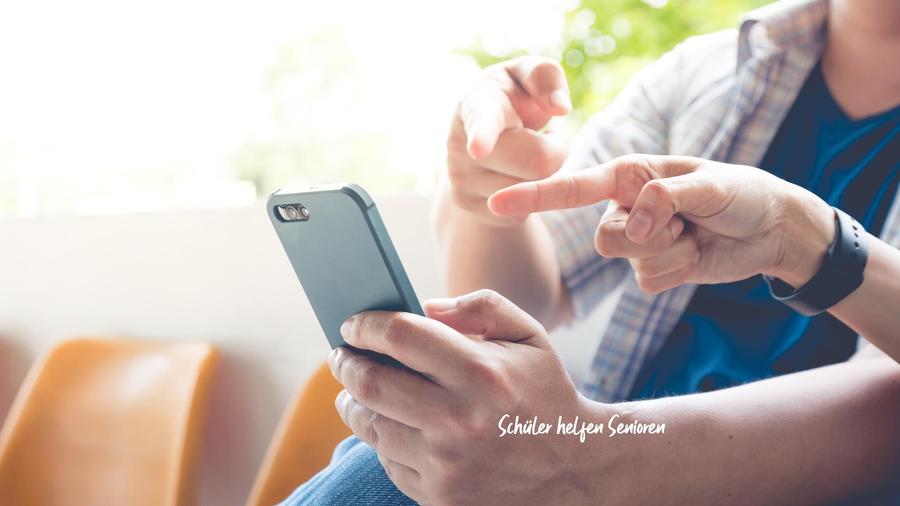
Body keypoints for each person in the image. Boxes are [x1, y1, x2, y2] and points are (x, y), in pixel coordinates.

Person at [283, 0, 900, 503]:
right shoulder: (711, 72)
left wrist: (588, 457)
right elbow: (523, 297)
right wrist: (490, 191)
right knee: (402, 458)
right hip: (597, 463)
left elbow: (887, 405)